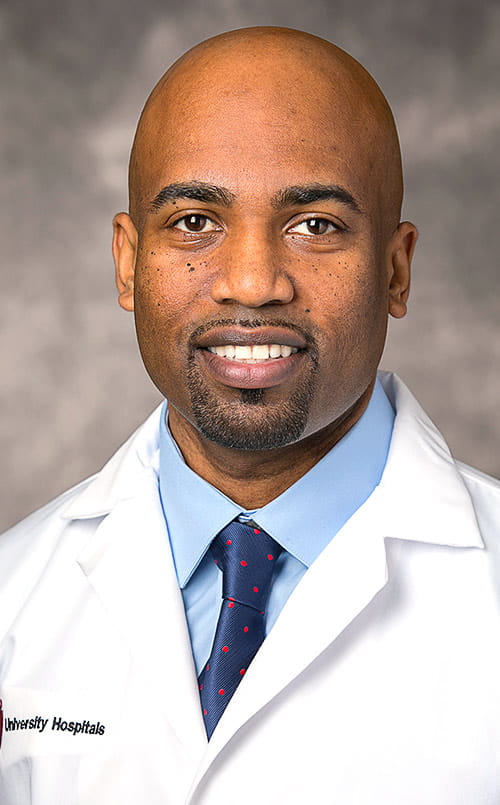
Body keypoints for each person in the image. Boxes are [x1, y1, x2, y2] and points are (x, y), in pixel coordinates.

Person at [0, 26, 499, 805]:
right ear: (127, 263)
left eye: (316, 225)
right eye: (195, 221)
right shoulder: (14, 593)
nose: (254, 282)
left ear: (395, 270)